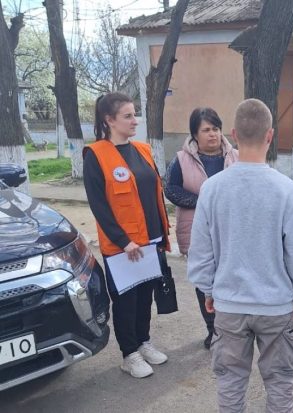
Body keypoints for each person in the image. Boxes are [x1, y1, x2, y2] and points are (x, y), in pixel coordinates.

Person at [187, 98, 293, 412]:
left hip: (229, 304)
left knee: (230, 385)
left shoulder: (212, 189)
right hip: (276, 305)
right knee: (280, 385)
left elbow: (200, 250)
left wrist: (209, 289)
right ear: (270, 135)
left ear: (233, 134)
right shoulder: (287, 190)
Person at [83, 92, 171, 379]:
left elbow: (154, 194)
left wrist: (162, 235)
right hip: (122, 247)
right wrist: (123, 241)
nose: (135, 121)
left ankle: (143, 342)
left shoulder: (143, 150)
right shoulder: (96, 154)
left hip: (150, 240)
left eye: (135, 115)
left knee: (146, 296)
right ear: (109, 120)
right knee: (126, 300)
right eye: (128, 116)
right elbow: (99, 206)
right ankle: (129, 354)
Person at [164, 107, 239, 349]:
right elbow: (170, 189)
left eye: (216, 129)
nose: (213, 134)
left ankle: (231, 329)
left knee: (230, 279)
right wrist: (202, 202)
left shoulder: (236, 157)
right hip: (196, 230)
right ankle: (212, 329)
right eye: (206, 130)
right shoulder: (182, 159)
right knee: (204, 281)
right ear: (195, 134)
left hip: (231, 232)